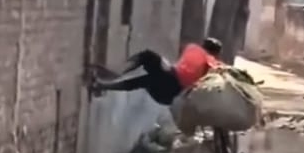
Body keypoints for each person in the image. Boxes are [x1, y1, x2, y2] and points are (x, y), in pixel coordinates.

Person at [89, 37, 223, 106]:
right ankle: (104, 84)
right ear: (216, 53)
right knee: (146, 78)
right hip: (171, 93)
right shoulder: (210, 61)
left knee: (146, 66)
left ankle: (109, 80)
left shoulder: (192, 47)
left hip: (172, 86)